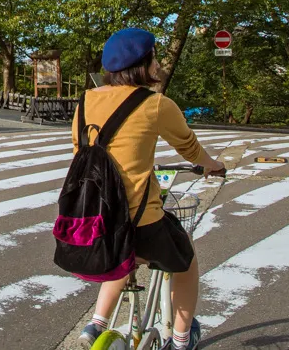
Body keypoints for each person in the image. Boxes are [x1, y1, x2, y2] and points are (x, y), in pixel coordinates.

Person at [75, 27, 225, 350]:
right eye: (154, 56)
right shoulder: (155, 104)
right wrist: (213, 165)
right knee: (186, 262)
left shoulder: (84, 102)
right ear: (145, 64)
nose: (157, 62)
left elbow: (82, 156)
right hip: (142, 225)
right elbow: (190, 148)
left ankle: (96, 324)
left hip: (91, 222)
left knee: (121, 251)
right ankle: (182, 341)